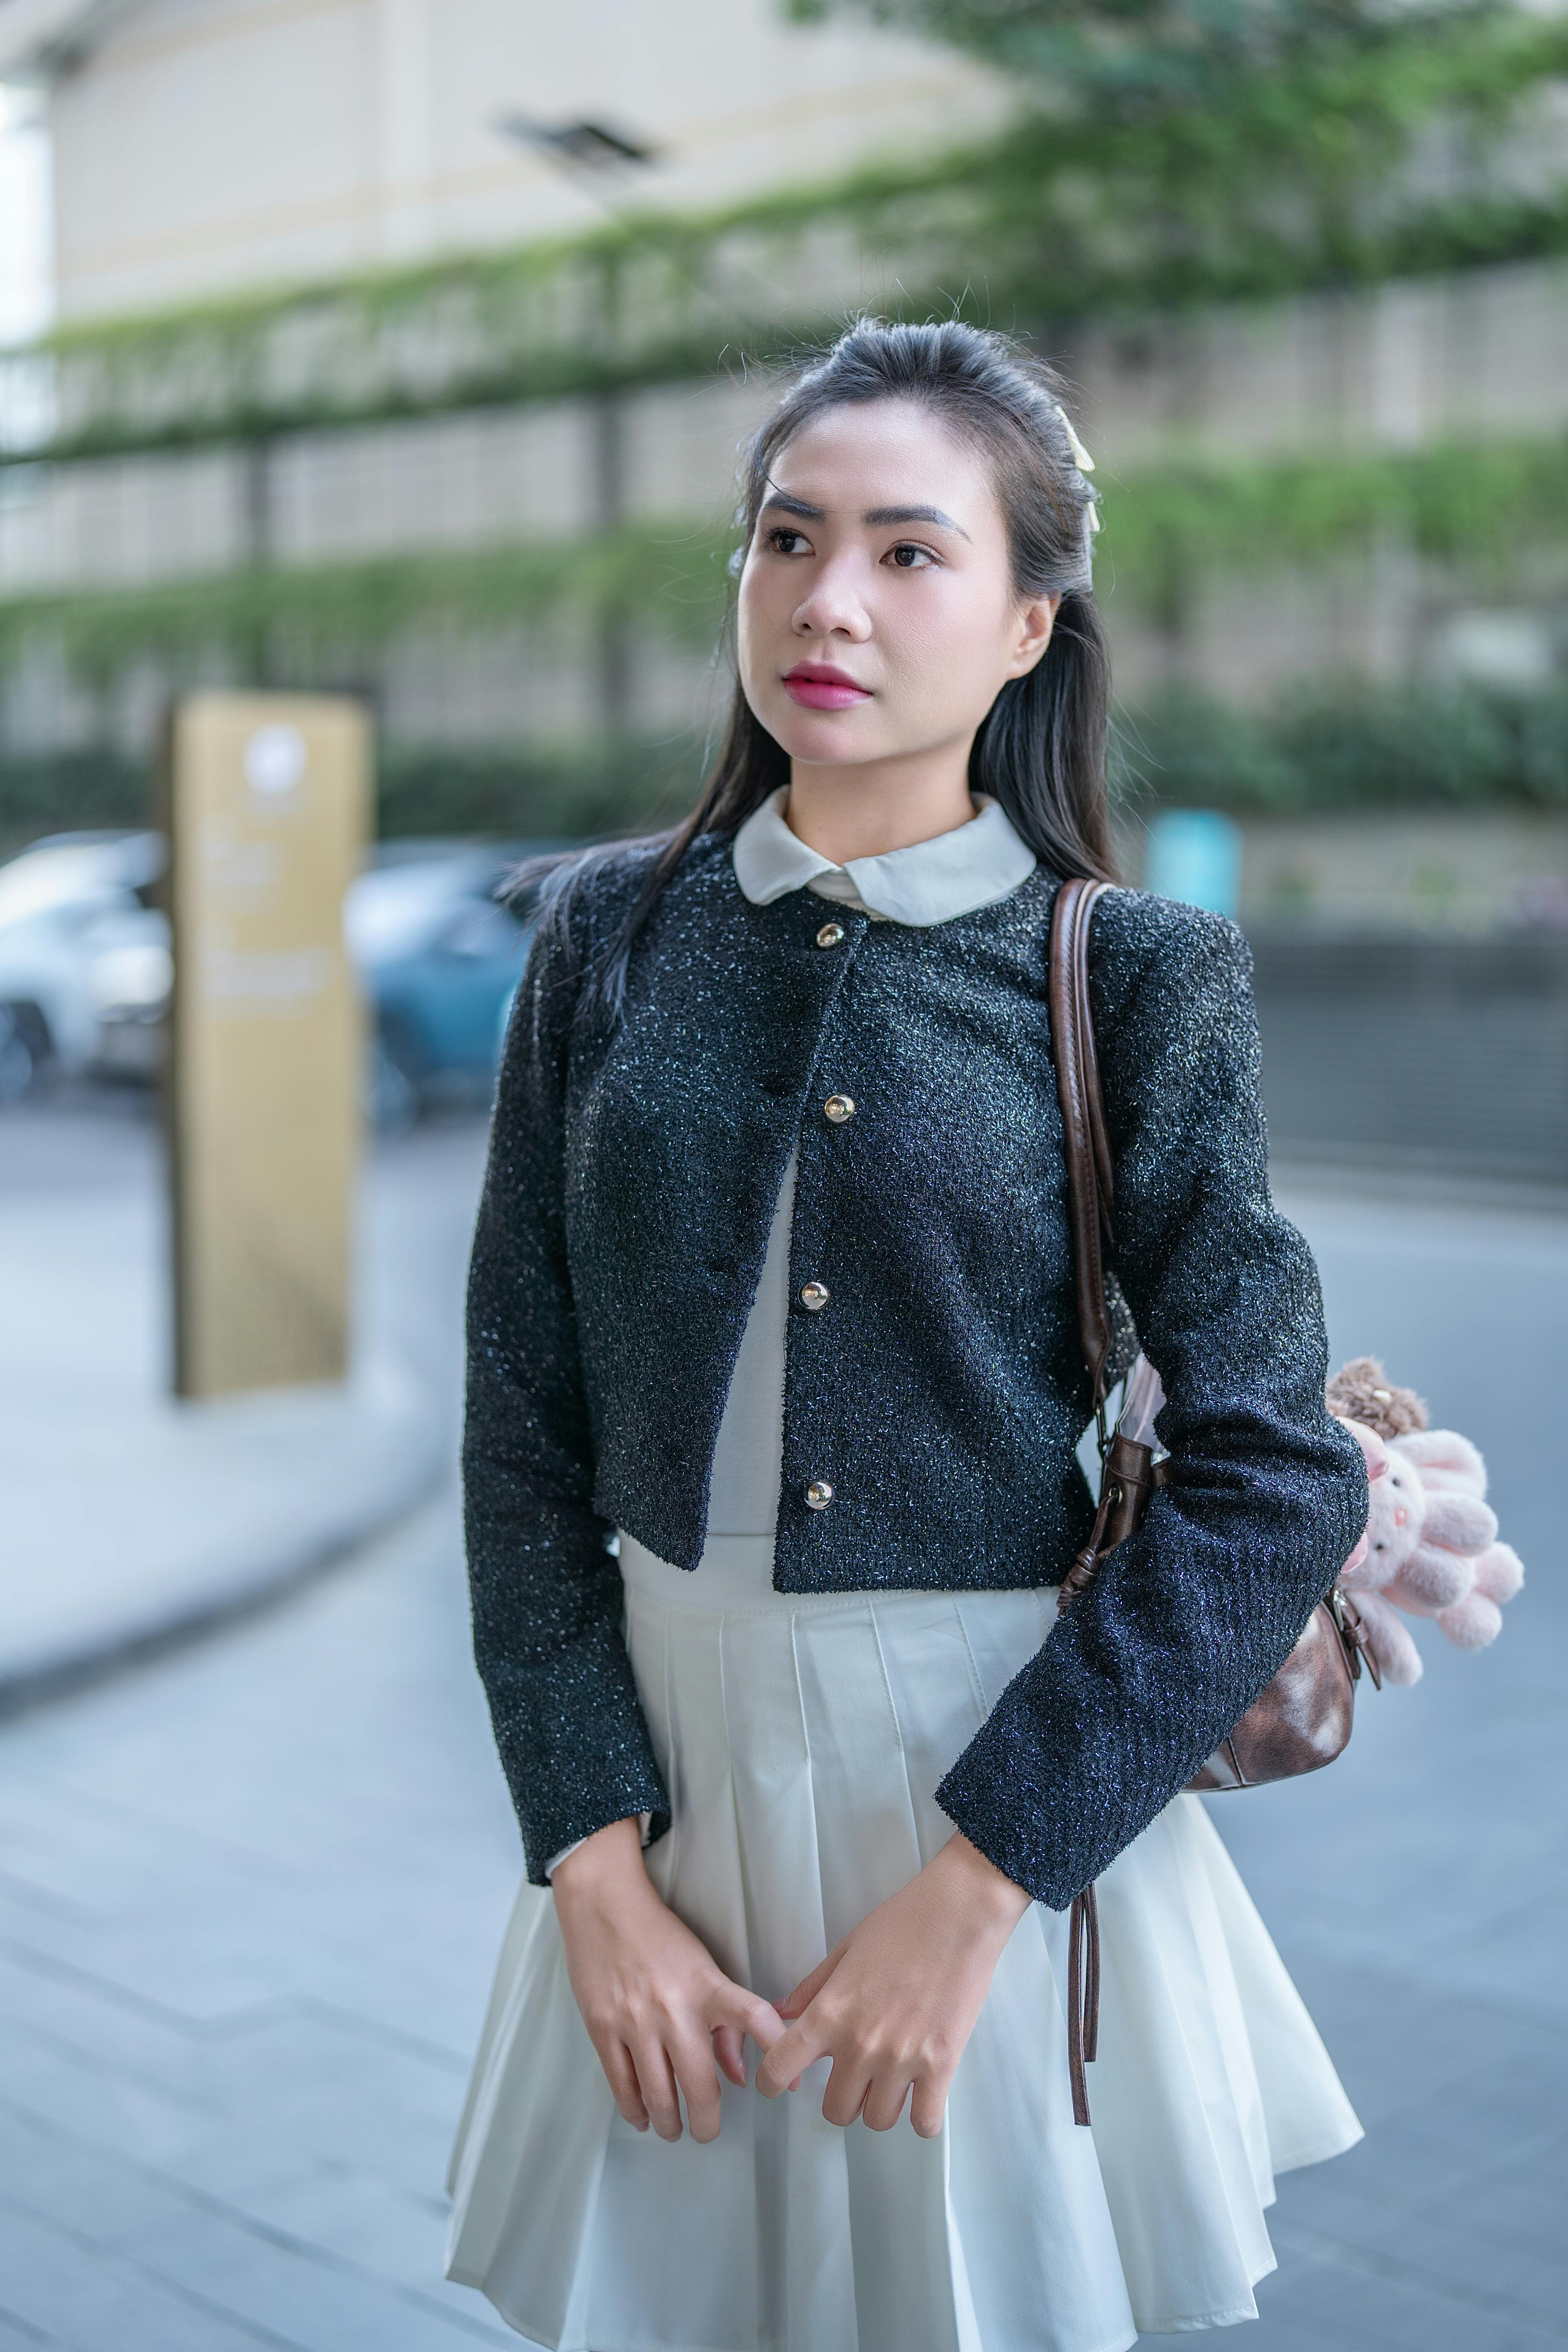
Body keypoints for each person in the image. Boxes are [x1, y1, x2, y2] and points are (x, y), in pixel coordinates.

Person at [446, 319, 1369, 2352]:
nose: (828, 600)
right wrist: (592, 1876)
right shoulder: (603, 935)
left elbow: (1272, 1459)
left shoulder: (1129, 970)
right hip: (653, 1801)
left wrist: (981, 1898)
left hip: (992, 1797)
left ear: (1032, 620)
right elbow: (521, 1425)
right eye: (787, 538)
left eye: (908, 551)